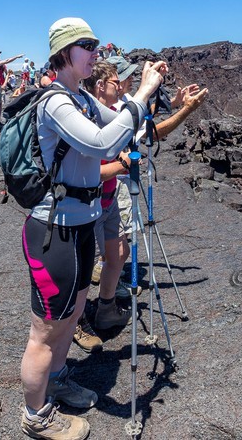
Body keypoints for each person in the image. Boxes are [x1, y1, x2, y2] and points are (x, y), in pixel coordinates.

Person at [15, 17, 163, 440]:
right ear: (64, 53)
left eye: (96, 44)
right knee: (46, 331)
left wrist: (151, 98)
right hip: (53, 230)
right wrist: (141, 93)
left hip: (81, 225)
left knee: (74, 313)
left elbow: (124, 127)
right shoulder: (55, 103)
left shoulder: (81, 98)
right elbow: (101, 144)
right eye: (87, 44)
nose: (96, 51)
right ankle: (35, 415)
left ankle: (57, 380)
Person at [71, 55, 207, 351]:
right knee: (80, 270)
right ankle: (76, 321)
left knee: (119, 253)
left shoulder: (115, 110)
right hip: (88, 203)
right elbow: (89, 173)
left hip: (108, 199)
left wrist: (175, 103)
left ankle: (106, 308)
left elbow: (144, 127)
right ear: (101, 85)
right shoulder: (87, 119)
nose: (125, 83)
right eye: (118, 80)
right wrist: (123, 165)